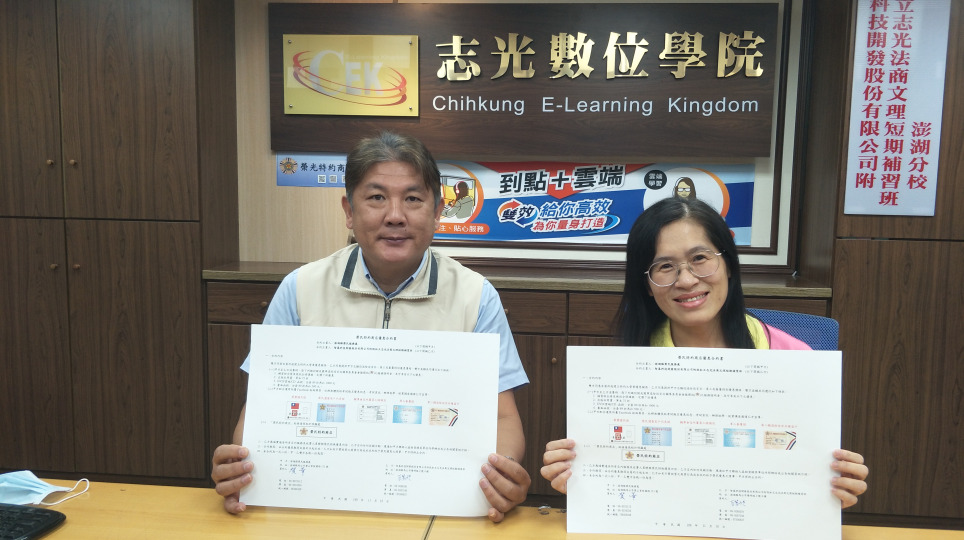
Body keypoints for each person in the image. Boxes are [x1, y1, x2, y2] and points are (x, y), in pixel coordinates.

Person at [212, 131, 531, 522]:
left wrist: (501, 476)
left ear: (437, 212)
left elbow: (502, 418)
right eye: (377, 197)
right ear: (349, 210)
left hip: (436, 508)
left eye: (413, 199)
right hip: (320, 505)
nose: (395, 215)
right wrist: (245, 472)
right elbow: (263, 408)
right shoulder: (300, 289)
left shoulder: (476, 296)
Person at [541, 197, 869, 508]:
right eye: (664, 266)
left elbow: (807, 469)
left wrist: (833, 488)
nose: (686, 280)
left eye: (700, 258)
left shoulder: (796, 359)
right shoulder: (621, 377)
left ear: (729, 265)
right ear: (647, 285)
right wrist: (580, 476)